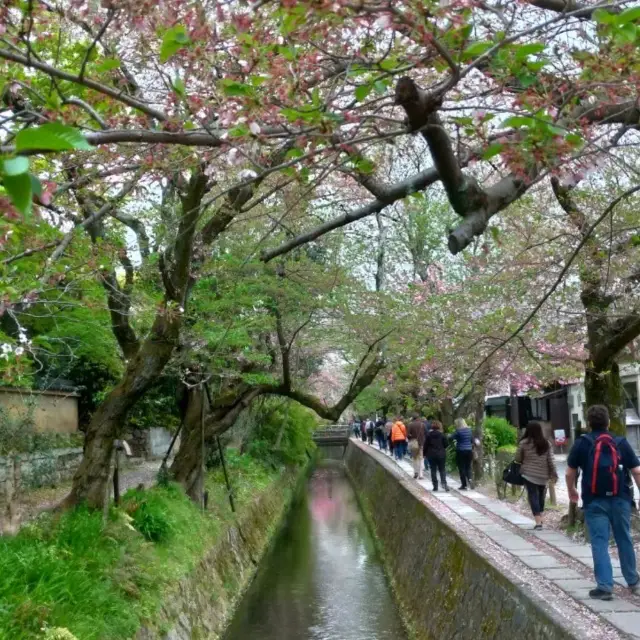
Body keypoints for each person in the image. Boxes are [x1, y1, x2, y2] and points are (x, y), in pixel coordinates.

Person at [566, 404, 640, 601]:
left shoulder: (582, 443)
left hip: (594, 500)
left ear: (589, 423)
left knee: (599, 541)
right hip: (620, 499)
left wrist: (572, 490)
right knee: (624, 538)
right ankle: (633, 582)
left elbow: (570, 472)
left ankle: (605, 587)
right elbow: (637, 471)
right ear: (608, 422)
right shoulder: (620, 442)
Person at [515, 421, 558, 530]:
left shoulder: (523, 443)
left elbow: (517, 459)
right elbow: (551, 460)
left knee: (533, 495)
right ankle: (540, 517)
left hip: (528, 474)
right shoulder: (546, 443)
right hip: (543, 475)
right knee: (541, 496)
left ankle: (538, 522)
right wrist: (554, 473)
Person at [424, 420, 449, 491]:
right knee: (442, 469)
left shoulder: (429, 435)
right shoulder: (442, 435)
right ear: (440, 426)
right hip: (441, 454)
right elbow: (446, 444)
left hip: (431, 454)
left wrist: (424, 454)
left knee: (433, 470)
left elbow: (426, 445)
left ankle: (435, 486)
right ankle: (444, 483)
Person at [450, 418, 474, 490]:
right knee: (468, 467)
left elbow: (451, 438)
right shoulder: (469, 430)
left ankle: (464, 485)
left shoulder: (458, 431)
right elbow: (472, 440)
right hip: (469, 450)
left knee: (461, 468)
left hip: (460, 451)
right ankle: (470, 479)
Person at [407, 414, 426, 479]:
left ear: (413, 418)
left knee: (415, 458)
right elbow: (426, 433)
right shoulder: (422, 424)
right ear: (418, 418)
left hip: (413, 444)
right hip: (421, 443)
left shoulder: (410, 424)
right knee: (421, 458)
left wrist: (412, 437)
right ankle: (421, 474)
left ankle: (415, 472)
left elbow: (408, 435)